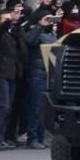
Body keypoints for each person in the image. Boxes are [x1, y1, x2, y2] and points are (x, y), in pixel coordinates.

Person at [0, 0, 24, 150]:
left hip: (12, 74)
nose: (8, 21)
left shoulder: (12, 34)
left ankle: (1, 137)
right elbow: (0, 30)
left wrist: (15, 21)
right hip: (1, 73)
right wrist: (8, 21)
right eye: (5, 19)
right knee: (2, 106)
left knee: (7, 107)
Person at [20, 8, 57, 149]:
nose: (50, 21)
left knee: (44, 109)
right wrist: (40, 25)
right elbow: (28, 41)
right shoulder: (34, 32)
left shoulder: (51, 34)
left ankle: (40, 137)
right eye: (47, 18)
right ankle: (32, 138)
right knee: (35, 108)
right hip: (36, 74)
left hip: (48, 75)